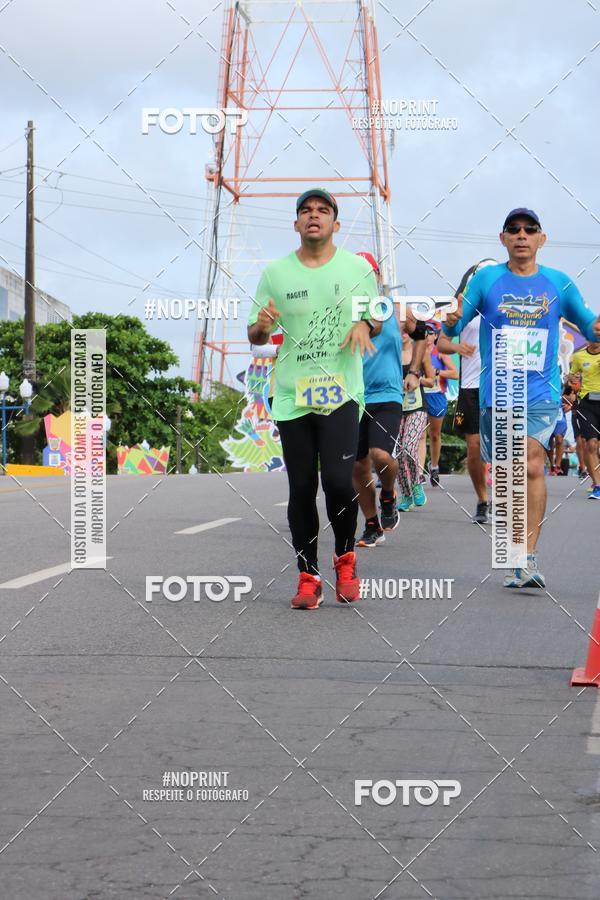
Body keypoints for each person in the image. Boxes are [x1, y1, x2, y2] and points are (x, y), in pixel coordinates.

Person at [444, 207, 600, 589]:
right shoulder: (487, 279)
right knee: (513, 470)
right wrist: (450, 318)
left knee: (532, 464)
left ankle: (527, 556)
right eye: (513, 229)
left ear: (541, 239)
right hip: (496, 391)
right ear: (503, 239)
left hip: (541, 390)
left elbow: (588, 323)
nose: (521, 235)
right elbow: (456, 322)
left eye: (530, 229)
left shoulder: (558, 283)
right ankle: (515, 546)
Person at [247, 188, 380, 609]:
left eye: (323, 211)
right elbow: (254, 335)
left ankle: (345, 558)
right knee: (301, 488)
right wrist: (262, 327)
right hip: (292, 395)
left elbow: (376, 313)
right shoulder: (276, 274)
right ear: (296, 224)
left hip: (341, 391)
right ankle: (308, 577)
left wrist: (364, 325)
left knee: (338, 483)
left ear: (335, 224)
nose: (313, 216)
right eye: (305, 211)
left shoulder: (358, 269)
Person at [437, 259, 497, 523]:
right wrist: (458, 348)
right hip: (471, 387)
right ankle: (483, 500)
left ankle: (506, 499)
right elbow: (441, 343)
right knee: (475, 449)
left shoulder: (506, 306)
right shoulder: (461, 309)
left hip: (503, 387)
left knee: (507, 449)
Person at [396, 326, 435, 511]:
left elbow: (431, 380)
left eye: (406, 330)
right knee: (397, 452)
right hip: (396, 408)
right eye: (399, 330)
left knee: (408, 447)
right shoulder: (392, 353)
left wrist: (418, 379)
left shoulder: (420, 354)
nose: (403, 334)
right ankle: (405, 494)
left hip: (417, 407)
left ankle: (416, 484)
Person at [422, 322, 458, 486]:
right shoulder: (417, 351)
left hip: (436, 395)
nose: (427, 336)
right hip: (419, 395)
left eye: (430, 332)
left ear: (435, 336)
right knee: (418, 435)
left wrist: (437, 372)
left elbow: (455, 374)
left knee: (434, 434)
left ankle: (434, 466)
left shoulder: (440, 353)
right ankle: (418, 471)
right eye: (424, 332)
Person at [568, 338, 600, 498]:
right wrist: (571, 380)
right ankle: (597, 485)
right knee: (591, 444)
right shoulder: (579, 356)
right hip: (586, 403)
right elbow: (571, 378)